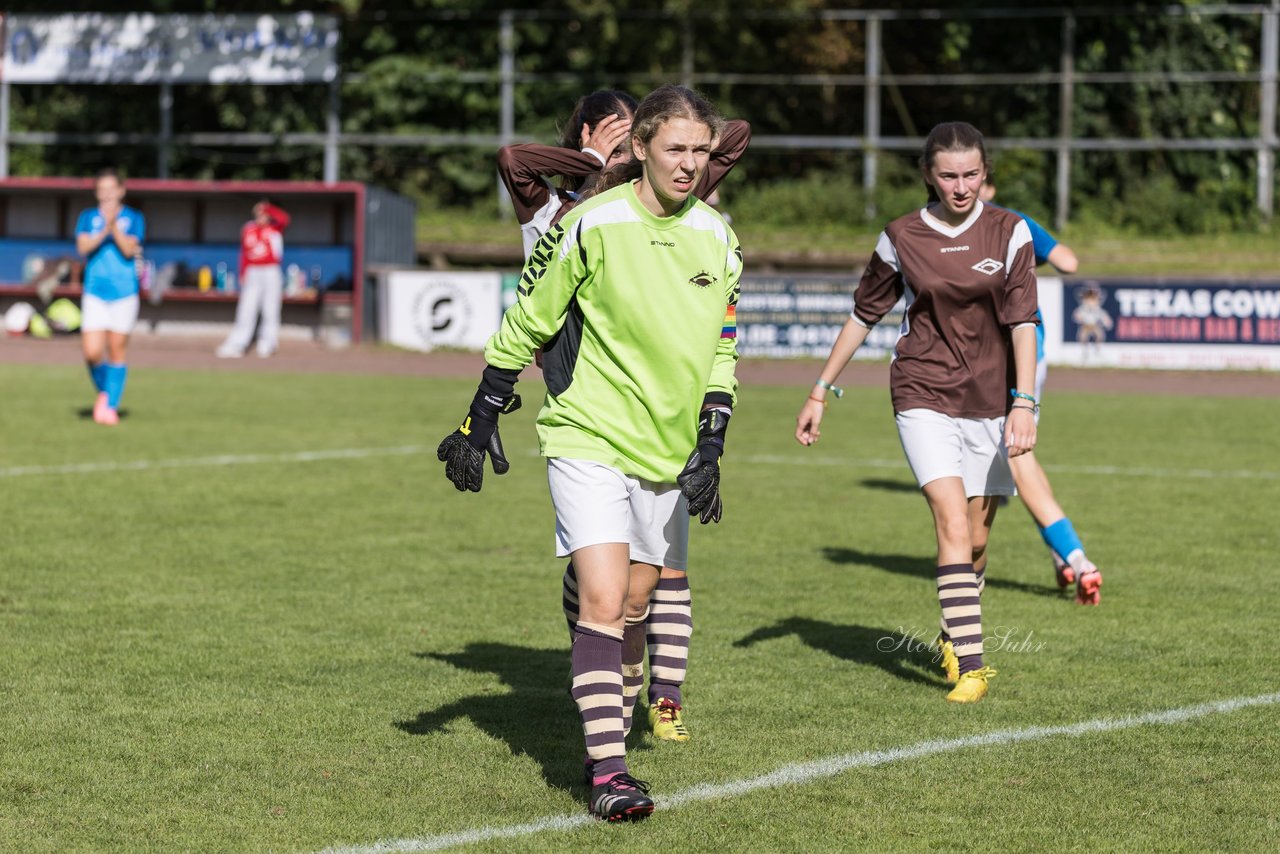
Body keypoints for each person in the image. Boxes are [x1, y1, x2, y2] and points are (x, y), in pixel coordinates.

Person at [438, 84, 741, 820]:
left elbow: (721, 349)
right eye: (676, 149)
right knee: (604, 601)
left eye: (701, 152)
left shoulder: (718, 237)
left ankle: (612, 725)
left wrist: (712, 436)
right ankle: (610, 773)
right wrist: (483, 411)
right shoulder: (589, 222)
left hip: (665, 447)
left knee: (639, 603)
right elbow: (529, 315)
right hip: (586, 432)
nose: (691, 164)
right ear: (640, 148)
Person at [498, 90, 752, 743]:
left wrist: (670, 148)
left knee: (641, 587)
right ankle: (622, 734)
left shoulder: (677, 196)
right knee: (610, 594)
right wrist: (589, 155)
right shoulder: (562, 210)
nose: (689, 161)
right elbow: (516, 158)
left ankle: (646, 694)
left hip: (658, 411)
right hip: (582, 404)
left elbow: (736, 135)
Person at [794, 121, 1039, 704]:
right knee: (951, 521)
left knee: (977, 538)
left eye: (972, 175)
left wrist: (1024, 401)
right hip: (921, 391)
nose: (961, 187)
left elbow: (1023, 322)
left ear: (986, 174)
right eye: (949, 176)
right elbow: (863, 315)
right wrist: (820, 389)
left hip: (990, 399)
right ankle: (974, 666)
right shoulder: (900, 235)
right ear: (929, 175)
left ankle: (952, 630)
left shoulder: (1011, 232)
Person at [979, 179, 1103, 605]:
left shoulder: (987, 228)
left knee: (1017, 459)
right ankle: (1062, 556)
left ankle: (1077, 556)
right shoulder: (1019, 223)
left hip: (1002, 359)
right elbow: (1068, 262)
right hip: (1034, 353)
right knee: (1020, 457)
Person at [76, 168, 145, 426]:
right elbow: (83, 247)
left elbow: (129, 250)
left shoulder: (134, 218)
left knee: (116, 350)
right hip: (94, 292)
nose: (106, 194)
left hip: (124, 293)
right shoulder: (88, 217)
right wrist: (103, 229)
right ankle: (107, 393)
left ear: (121, 191)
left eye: (110, 189)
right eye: (101, 189)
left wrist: (114, 225)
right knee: (92, 353)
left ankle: (111, 406)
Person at [217, 199, 292, 358]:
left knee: (270, 309)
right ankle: (237, 344)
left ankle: (267, 343)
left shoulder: (275, 228)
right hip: (253, 271)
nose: (261, 216)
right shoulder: (248, 228)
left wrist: (268, 207)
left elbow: (285, 218)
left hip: (271, 270)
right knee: (246, 309)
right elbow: (243, 253)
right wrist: (242, 273)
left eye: (264, 214)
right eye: (259, 213)